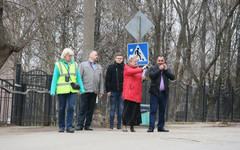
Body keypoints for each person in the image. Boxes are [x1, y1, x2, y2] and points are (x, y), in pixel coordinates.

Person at [50, 48, 85, 133]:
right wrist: (52, 90)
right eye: (69, 56)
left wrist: (81, 89)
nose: (71, 57)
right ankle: (61, 126)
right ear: (64, 56)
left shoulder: (75, 64)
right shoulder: (58, 65)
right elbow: (55, 78)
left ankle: (69, 126)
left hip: (72, 90)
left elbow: (78, 78)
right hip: (62, 90)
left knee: (71, 107)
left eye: (71, 56)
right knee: (61, 108)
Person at [76, 51, 104, 131]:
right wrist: (78, 88)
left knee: (91, 109)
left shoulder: (99, 67)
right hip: (85, 90)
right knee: (83, 108)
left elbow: (101, 80)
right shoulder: (83, 65)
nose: (97, 56)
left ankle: (87, 125)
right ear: (90, 55)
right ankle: (80, 125)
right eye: (95, 54)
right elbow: (79, 77)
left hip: (94, 91)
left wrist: (101, 91)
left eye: (97, 55)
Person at [147, 56, 175, 132]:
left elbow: (172, 77)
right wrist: (159, 70)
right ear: (157, 61)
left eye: (162, 60)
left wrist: (166, 70)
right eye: (159, 60)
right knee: (153, 110)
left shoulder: (166, 69)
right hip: (154, 93)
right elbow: (151, 76)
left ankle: (160, 127)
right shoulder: (153, 68)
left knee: (162, 111)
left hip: (163, 93)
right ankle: (151, 127)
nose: (160, 62)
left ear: (164, 61)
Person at [122, 55, 148, 132]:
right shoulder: (127, 68)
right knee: (127, 111)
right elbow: (131, 72)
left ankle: (132, 126)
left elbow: (138, 79)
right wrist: (141, 69)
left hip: (137, 94)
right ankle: (124, 126)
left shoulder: (138, 69)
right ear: (130, 62)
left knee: (134, 112)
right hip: (129, 93)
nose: (136, 63)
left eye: (137, 61)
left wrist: (143, 79)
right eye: (134, 61)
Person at [105, 53, 124, 130]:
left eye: (121, 58)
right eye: (118, 58)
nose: (119, 59)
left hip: (122, 91)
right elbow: (107, 79)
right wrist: (108, 90)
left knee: (120, 109)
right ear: (115, 59)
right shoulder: (111, 67)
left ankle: (119, 125)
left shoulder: (125, 67)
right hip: (113, 91)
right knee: (112, 108)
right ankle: (111, 125)